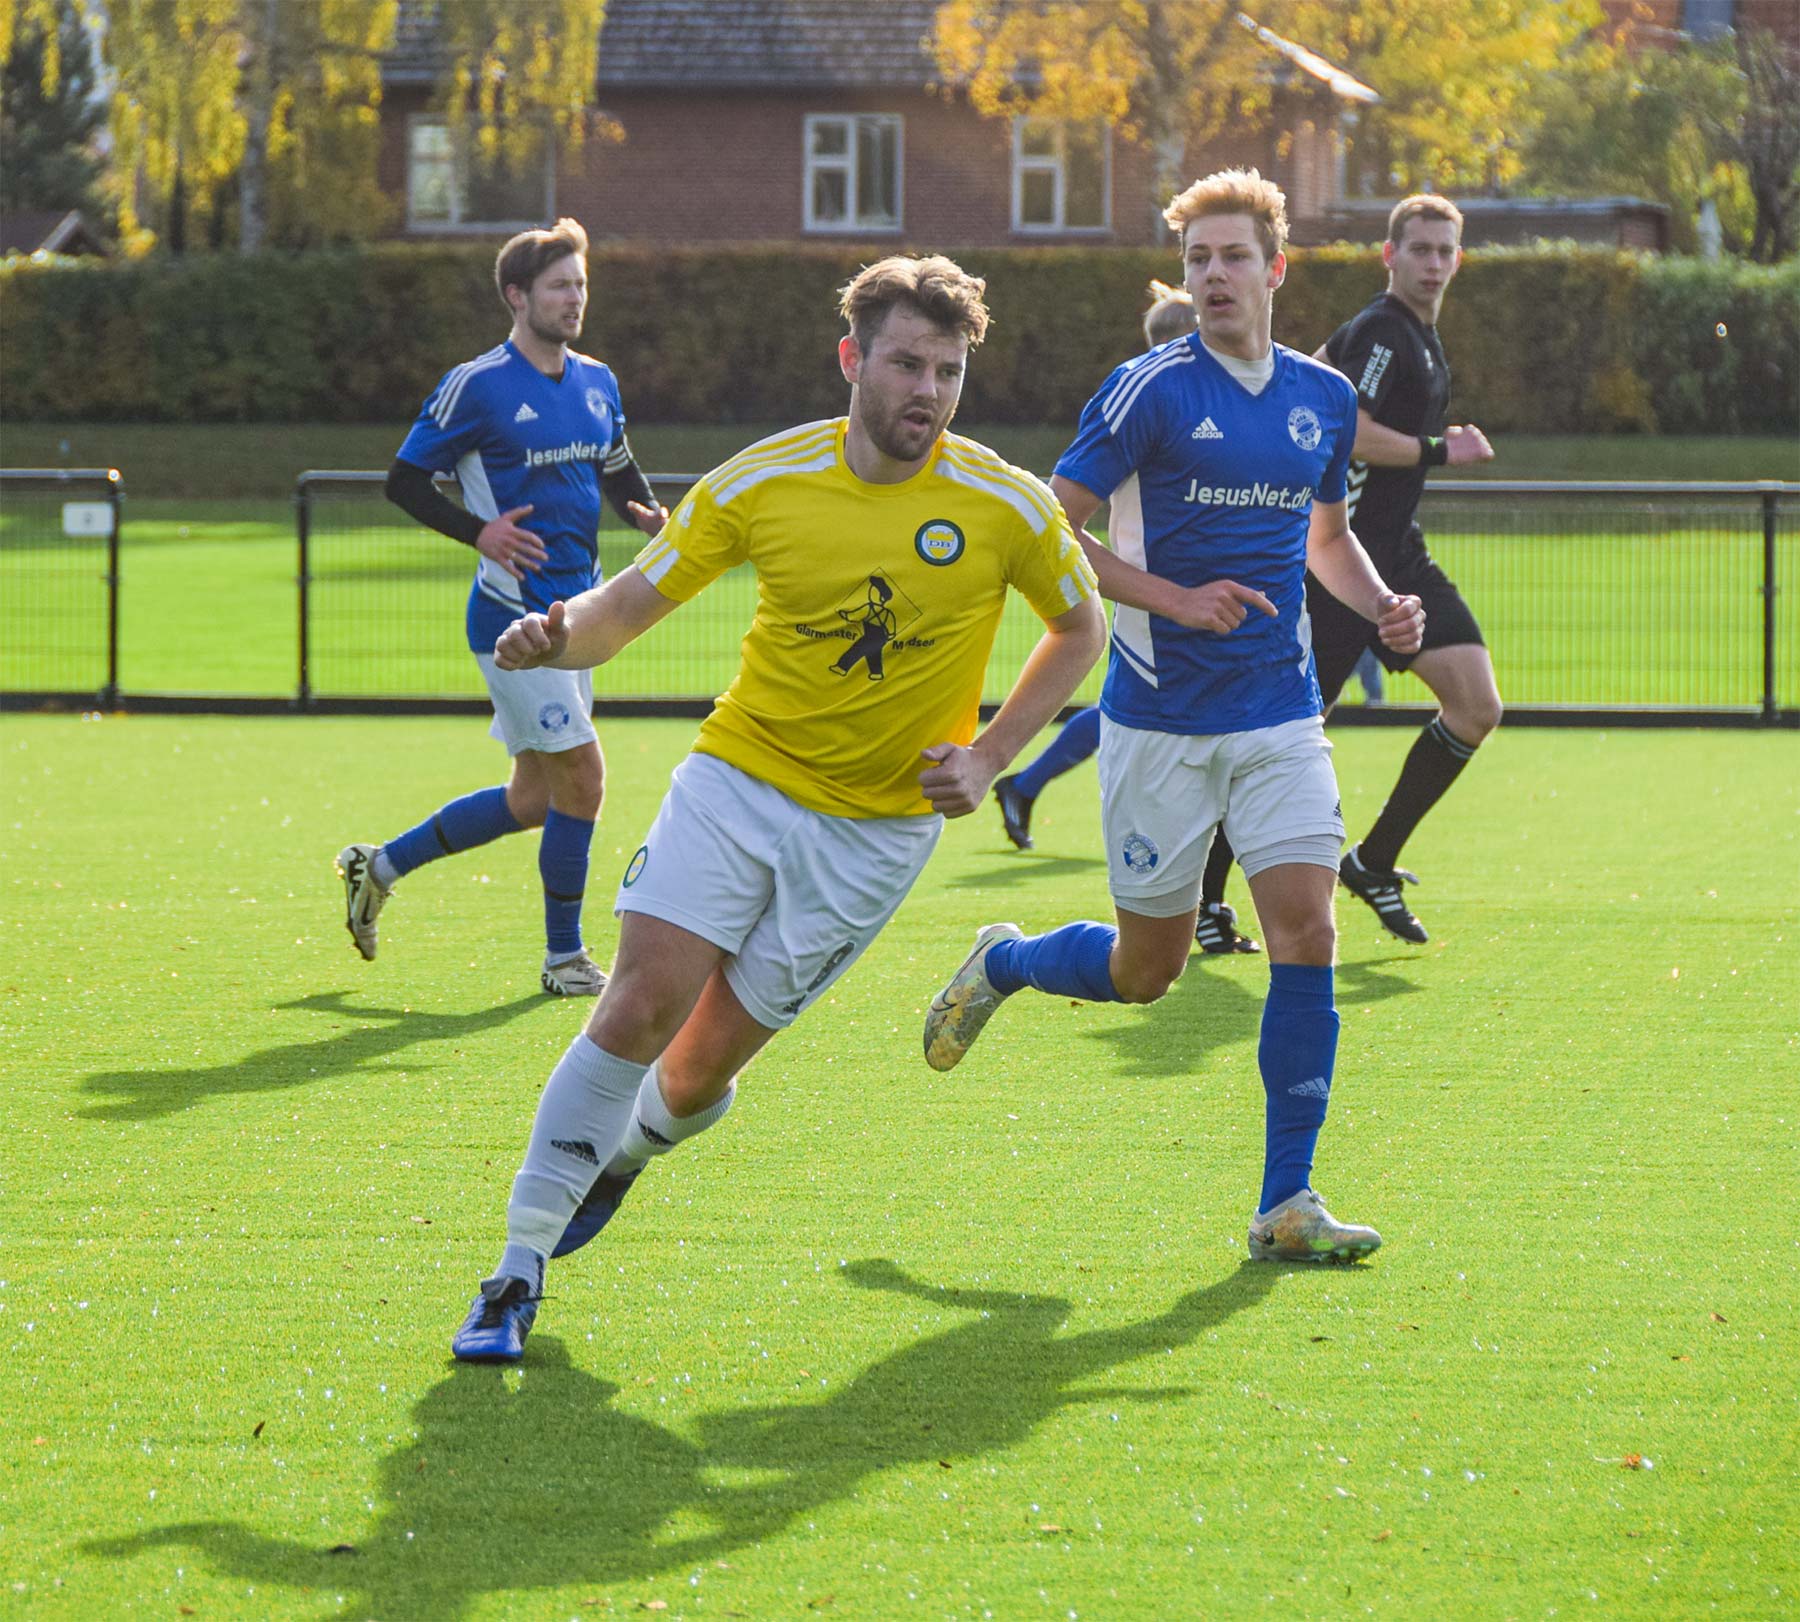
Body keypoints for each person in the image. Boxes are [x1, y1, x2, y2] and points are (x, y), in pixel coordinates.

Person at [450, 254, 1106, 1361]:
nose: (928, 392)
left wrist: (993, 756)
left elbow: (1079, 629)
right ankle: (513, 1270)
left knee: (697, 1074)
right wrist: (554, 633)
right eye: (906, 363)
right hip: (739, 781)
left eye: (949, 372)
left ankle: (624, 1153)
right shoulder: (765, 477)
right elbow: (623, 607)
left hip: (876, 834)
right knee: (638, 1002)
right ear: (853, 359)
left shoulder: (1004, 501)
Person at [924, 170, 1424, 1264]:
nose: (1212, 277)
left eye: (1232, 256)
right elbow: (1051, 533)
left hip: (1280, 715)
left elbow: (1325, 537)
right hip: (1155, 721)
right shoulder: (1145, 389)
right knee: (1147, 971)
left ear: (1276, 269)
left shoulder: (1324, 398)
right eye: (1196, 259)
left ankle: (1286, 1199)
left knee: (1308, 930)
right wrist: (1173, 599)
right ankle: (1005, 961)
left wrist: (1382, 602)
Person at [334, 218, 667, 997]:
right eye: (559, 286)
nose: (574, 298)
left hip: (576, 622)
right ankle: (563, 961)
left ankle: (376, 867)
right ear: (517, 295)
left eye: (581, 284)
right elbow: (405, 481)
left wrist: (644, 513)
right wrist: (478, 531)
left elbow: (618, 468)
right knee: (583, 781)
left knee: (533, 798)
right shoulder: (477, 385)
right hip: (510, 620)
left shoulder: (597, 380)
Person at [991, 280, 1259, 956]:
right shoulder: (1146, 404)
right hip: (1159, 617)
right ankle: (1196, 906)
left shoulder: (1228, 404)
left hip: (1223, 623)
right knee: (1145, 728)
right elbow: (1061, 518)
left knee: (1234, 758)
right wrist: (1163, 592)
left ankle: (1026, 785)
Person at [1308, 194, 1499, 944]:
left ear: (1458, 258)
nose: (1432, 262)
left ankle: (1374, 861)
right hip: (1344, 563)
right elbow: (1346, 427)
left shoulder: (1414, 334)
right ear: (1389, 255)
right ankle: (1209, 902)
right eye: (1418, 249)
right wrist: (1438, 449)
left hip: (1401, 555)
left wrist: (1425, 440)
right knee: (1289, 737)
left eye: (1444, 250)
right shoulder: (1387, 328)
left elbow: (1324, 378)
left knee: (1475, 704)